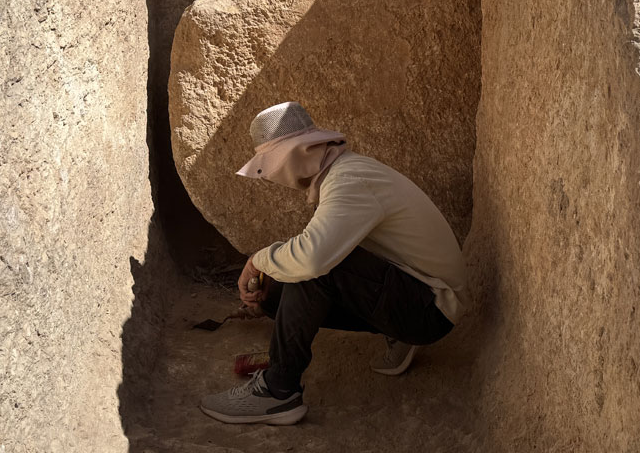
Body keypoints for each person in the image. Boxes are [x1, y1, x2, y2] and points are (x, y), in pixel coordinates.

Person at [198, 102, 466, 425]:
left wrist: (258, 259)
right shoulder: (343, 175)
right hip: (420, 293)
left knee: (313, 266)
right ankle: (396, 332)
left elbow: (312, 260)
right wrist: (268, 270)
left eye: (270, 166)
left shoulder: (348, 181)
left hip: (431, 309)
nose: (271, 177)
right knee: (276, 286)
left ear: (295, 153)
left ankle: (279, 391)